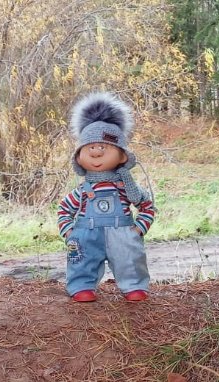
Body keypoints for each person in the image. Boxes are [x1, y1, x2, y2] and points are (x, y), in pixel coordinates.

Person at [57, 92, 156, 302]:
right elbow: (64, 209)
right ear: (79, 158)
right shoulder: (82, 191)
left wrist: (138, 230)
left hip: (123, 233)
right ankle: (82, 286)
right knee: (82, 262)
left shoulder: (125, 186)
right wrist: (69, 232)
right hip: (85, 234)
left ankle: (134, 286)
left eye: (104, 148)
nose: (96, 153)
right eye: (90, 148)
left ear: (122, 155)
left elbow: (147, 205)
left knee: (129, 259)